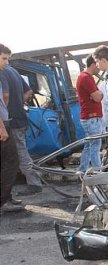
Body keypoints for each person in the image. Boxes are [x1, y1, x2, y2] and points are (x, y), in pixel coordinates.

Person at [1, 46, 42, 196]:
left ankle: (34, 183)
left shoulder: (2, 72)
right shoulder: (13, 71)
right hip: (20, 117)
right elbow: (29, 91)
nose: (6, 61)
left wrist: (5, 110)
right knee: (19, 151)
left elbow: (5, 95)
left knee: (19, 152)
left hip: (10, 120)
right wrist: (19, 103)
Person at [0, 44, 24, 212]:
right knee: (12, 161)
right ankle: (4, 200)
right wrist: (1, 126)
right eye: (3, 58)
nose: (7, 62)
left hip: (4, 121)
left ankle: (6, 197)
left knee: (6, 162)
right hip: (2, 124)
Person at [76, 55, 103, 172]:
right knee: (95, 145)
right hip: (92, 117)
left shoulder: (83, 76)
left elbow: (95, 96)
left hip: (88, 117)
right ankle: (98, 172)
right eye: (97, 65)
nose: (99, 68)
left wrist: (97, 94)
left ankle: (82, 170)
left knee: (89, 145)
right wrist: (100, 93)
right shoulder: (86, 78)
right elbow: (97, 97)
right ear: (92, 64)